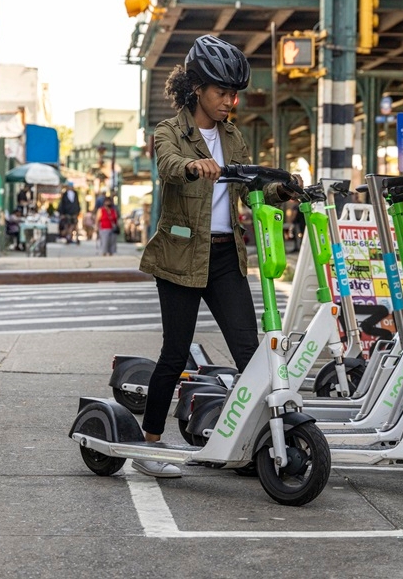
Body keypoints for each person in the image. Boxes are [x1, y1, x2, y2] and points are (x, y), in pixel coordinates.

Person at [134, 35, 299, 478]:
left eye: (234, 93)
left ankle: (254, 439)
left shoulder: (232, 136)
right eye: (222, 91)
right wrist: (193, 166)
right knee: (174, 352)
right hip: (181, 256)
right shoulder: (170, 132)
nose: (230, 100)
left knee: (250, 351)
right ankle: (149, 442)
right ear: (197, 88)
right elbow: (168, 164)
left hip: (226, 257)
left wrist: (281, 189)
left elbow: (250, 185)